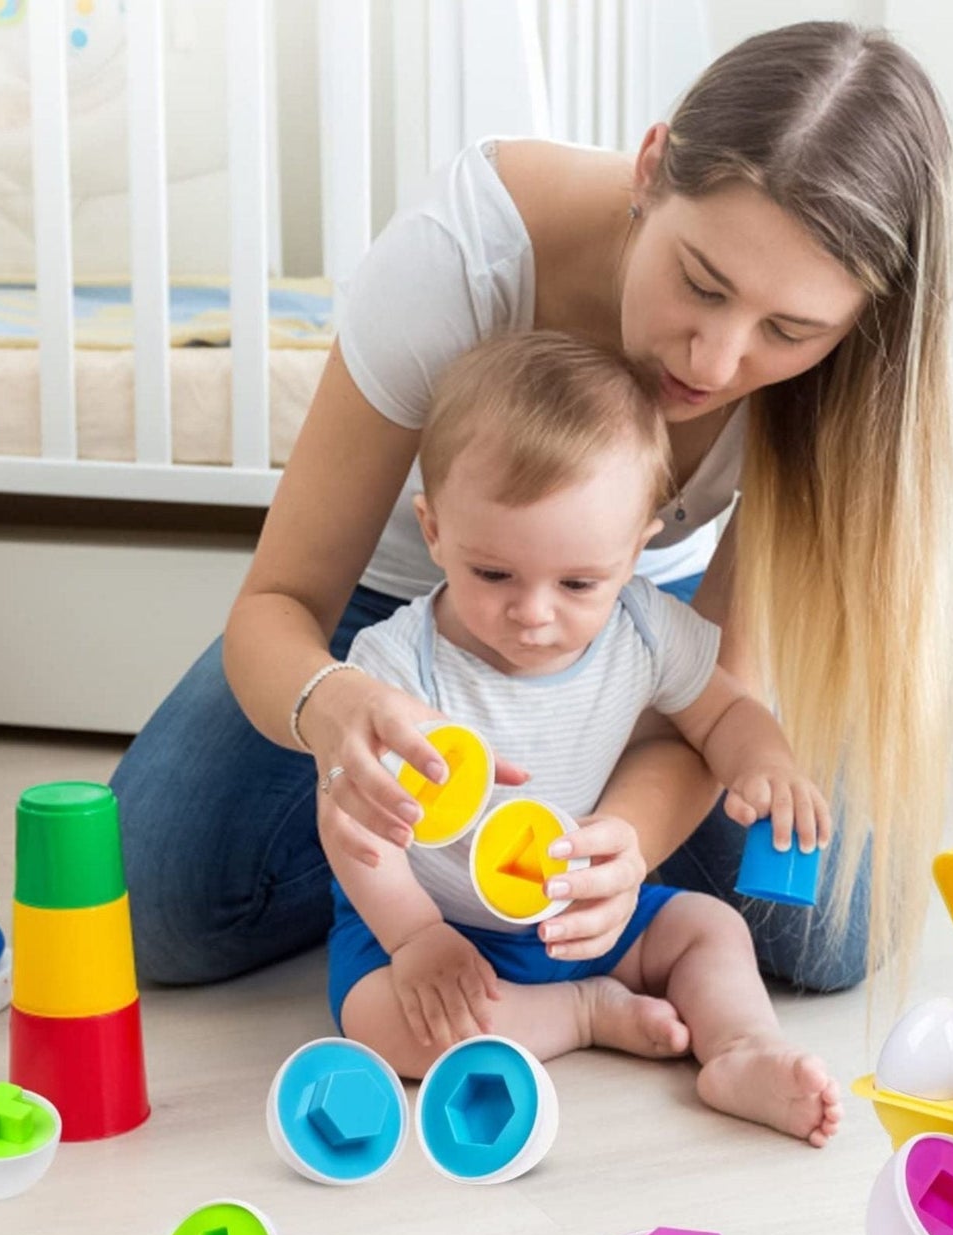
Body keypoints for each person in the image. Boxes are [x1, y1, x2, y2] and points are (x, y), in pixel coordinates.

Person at [110, 22, 953, 1004]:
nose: (715, 362)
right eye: (700, 283)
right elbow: (278, 602)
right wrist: (337, 710)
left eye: (787, 330)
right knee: (153, 904)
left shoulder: (837, 387)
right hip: (385, 607)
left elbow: (719, 688)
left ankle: (539, 837)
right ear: (650, 169)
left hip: (628, 612)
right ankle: (438, 863)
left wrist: (627, 845)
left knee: (832, 927)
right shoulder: (460, 258)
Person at [326, 330, 840, 1144]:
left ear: (635, 550)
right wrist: (415, 936)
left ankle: (742, 1048)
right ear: (433, 530)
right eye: (492, 574)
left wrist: (766, 762)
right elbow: (350, 818)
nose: (533, 613)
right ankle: (579, 1013)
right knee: (382, 1023)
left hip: (593, 915)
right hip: (437, 925)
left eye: (577, 583)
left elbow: (723, 711)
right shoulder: (396, 663)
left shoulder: (642, 626)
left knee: (712, 929)